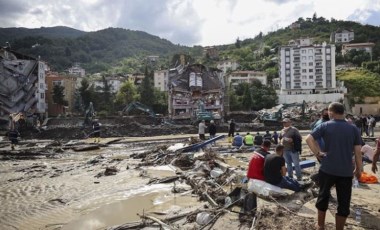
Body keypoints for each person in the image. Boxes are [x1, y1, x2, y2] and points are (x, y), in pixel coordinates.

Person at [305, 102, 362, 230]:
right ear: (343, 112)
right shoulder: (353, 128)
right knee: (344, 202)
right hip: (346, 171)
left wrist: (318, 153)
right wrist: (359, 169)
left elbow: (308, 139)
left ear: (331, 112)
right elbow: (358, 151)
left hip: (327, 168)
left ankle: (320, 225)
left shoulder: (325, 125)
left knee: (323, 196)